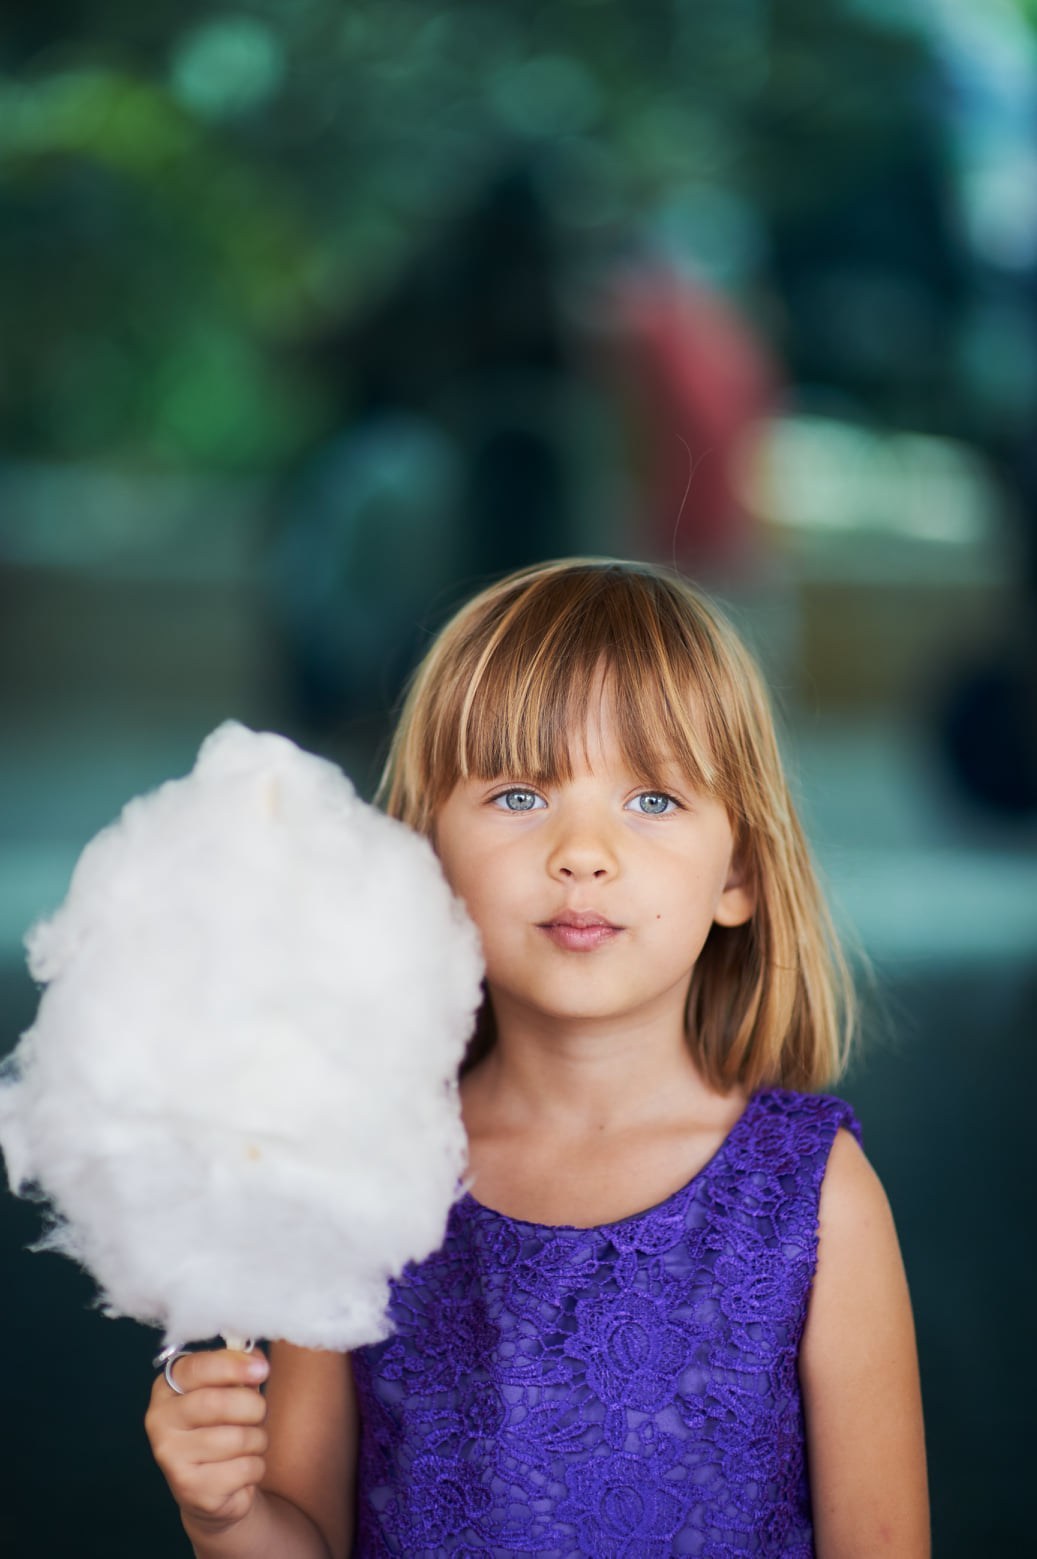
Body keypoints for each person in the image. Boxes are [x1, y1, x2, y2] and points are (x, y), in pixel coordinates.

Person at [145, 559, 929, 1557]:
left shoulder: (816, 1196)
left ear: (737, 871)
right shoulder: (358, 1180)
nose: (582, 850)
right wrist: (226, 1512)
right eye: (518, 792)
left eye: (650, 800)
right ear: (425, 855)